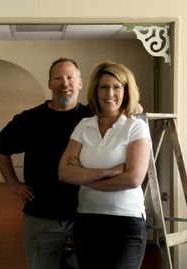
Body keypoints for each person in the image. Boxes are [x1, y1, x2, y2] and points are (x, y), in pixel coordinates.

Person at [0, 57, 93, 269]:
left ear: (80, 83)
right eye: (58, 78)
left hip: (87, 213)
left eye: (70, 78)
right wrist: (13, 183)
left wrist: (136, 107)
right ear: (49, 84)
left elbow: (126, 111)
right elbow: (0, 147)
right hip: (41, 215)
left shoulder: (92, 117)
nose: (64, 83)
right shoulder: (29, 119)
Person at [58, 61, 151, 269]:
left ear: (126, 91)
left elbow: (134, 179)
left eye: (117, 87)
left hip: (126, 222)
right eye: (104, 87)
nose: (110, 93)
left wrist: (83, 176)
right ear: (96, 90)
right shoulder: (84, 125)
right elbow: (64, 173)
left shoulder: (135, 127)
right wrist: (108, 172)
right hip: (87, 221)